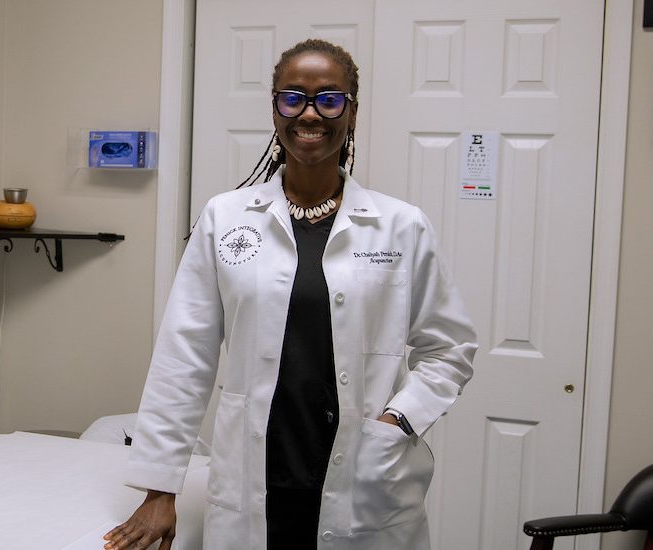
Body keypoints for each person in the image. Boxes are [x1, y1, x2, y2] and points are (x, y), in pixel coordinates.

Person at [103, 39, 477, 550]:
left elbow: (449, 348)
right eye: (293, 97)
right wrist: (159, 487)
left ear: (352, 113)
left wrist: (399, 419)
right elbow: (183, 357)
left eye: (328, 99)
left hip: (366, 473)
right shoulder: (225, 218)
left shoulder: (401, 226)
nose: (309, 113)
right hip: (257, 474)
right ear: (275, 109)